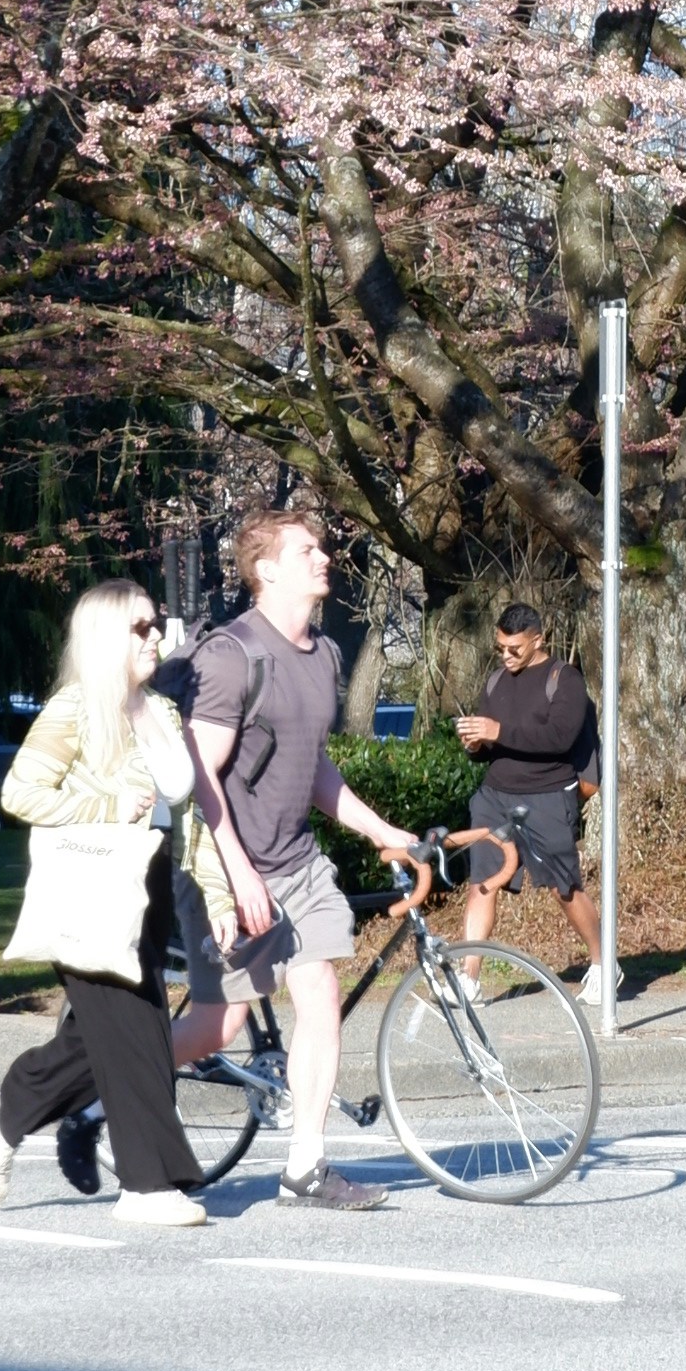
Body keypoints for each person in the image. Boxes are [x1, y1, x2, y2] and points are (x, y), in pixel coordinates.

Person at [173, 509, 430, 1212]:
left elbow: (314, 770)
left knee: (319, 992)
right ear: (267, 570)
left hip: (298, 859)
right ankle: (110, 1082)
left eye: (321, 546)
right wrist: (239, 874)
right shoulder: (230, 657)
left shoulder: (323, 657)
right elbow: (200, 778)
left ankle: (306, 1166)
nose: (324, 558)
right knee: (214, 1029)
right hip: (228, 867)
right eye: (307, 550)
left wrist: (383, 831)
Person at [0, 583, 213, 1227]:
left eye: (156, 624)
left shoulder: (163, 710)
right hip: (93, 889)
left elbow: (188, 813)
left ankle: (1, 1117)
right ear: (105, 637)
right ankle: (147, 1186)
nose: (155, 635)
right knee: (138, 1037)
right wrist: (104, 807)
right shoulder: (75, 709)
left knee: (94, 1042)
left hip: (150, 890)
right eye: (140, 627)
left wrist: (212, 893)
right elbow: (21, 792)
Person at [455, 598, 607, 1000]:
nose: (506, 656)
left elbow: (559, 738)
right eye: (499, 648)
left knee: (564, 887)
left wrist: (497, 730)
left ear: (538, 639)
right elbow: (490, 744)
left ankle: (602, 964)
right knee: (482, 884)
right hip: (495, 796)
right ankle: (468, 978)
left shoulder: (565, 679)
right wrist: (474, 743)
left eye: (514, 648)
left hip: (547, 795)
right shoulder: (495, 682)